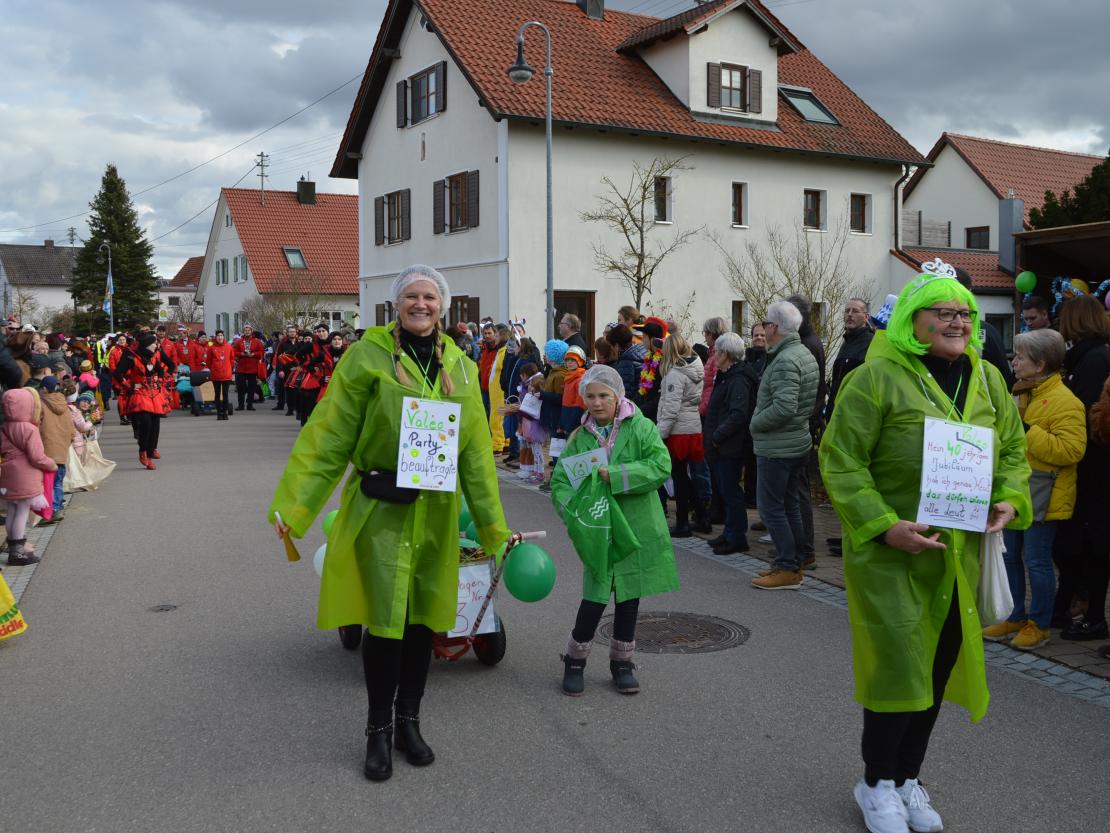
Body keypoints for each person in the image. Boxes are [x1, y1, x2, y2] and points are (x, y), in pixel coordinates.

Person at [270, 264, 510, 782]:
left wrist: (493, 528)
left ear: (442, 306)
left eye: (430, 297)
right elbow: (329, 433)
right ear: (396, 305)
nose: (421, 304)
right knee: (385, 622)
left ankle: (410, 722)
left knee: (424, 619)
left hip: (437, 511)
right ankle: (376, 729)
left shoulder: (464, 369)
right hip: (381, 507)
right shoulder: (366, 356)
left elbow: (475, 457)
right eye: (411, 297)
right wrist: (295, 507)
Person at [819, 270, 1031, 833]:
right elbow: (841, 459)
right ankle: (875, 784)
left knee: (936, 669)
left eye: (963, 313)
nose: (956, 321)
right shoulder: (874, 379)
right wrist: (883, 525)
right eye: (942, 311)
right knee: (896, 667)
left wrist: (1009, 499)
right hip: (894, 554)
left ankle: (908, 777)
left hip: (958, 555)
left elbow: (1012, 448)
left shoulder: (987, 379)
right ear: (914, 320)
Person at [550, 363, 678, 696]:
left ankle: (622, 663)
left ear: (616, 394)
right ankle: (575, 661)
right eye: (590, 396)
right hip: (598, 529)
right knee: (593, 598)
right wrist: (574, 515)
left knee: (628, 598)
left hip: (635, 527)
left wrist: (617, 474)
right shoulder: (580, 438)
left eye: (603, 395)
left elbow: (660, 465)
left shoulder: (641, 428)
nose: (596, 402)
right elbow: (561, 482)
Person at [981, 329, 1085, 650]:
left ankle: (1039, 624)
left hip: (1044, 496)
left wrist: (1026, 431)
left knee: (1037, 561)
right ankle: (1015, 614)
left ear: (1040, 364)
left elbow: (1071, 450)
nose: (1014, 361)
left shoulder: (1066, 401)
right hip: (1016, 491)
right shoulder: (1020, 391)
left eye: (1021, 357)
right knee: (1010, 555)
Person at [749, 302, 819, 590]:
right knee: (789, 504)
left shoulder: (787, 359)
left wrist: (755, 423)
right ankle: (792, 560)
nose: (763, 328)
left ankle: (788, 567)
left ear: (774, 327)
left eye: (765, 323)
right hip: (794, 442)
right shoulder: (799, 353)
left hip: (779, 447)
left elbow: (785, 408)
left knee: (771, 508)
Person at [1053, 295, 1110, 635]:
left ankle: (1090, 612)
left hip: (1093, 467)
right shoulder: (1089, 357)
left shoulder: (1091, 360)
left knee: (1087, 541)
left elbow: (1087, 420)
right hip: (1094, 466)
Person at [824, 299, 875, 556]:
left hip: (856, 419)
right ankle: (847, 533)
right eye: (846, 311)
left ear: (867, 316)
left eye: (855, 311)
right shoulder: (847, 341)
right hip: (838, 415)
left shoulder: (870, 343)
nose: (849, 315)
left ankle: (856, 537)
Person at [703, 333, 759, 555]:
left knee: (731, 491)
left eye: (717, 351)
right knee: (726, 491)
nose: (715, 355)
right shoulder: (727, 376)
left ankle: (737, 536)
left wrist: (717, 436)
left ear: (725, 354)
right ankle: (729, 532)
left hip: (730, 446)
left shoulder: (738, 379)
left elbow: (738, 414)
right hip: (722, 446)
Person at [655, 332, 706, 537]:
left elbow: (671, 408)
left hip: (678, 430)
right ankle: (701, 516)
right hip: (692, 425)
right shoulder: (696, 368)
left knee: (679, 477)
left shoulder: (675, 374)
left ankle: (683, 522)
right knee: (685, 475)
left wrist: (659, 434)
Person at [1, 388, 57, 566]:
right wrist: (51, 464)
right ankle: (17, 553)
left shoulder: (3, 427)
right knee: (22, 512)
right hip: (25, 475)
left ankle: (13, 547)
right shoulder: (29, 429)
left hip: (8, 473)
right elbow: (37, 457)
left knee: (12, 511)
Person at [114, 333, 172, 468]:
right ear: (146, 345)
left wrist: (160, 379)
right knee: (146, 423)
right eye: (153, 343)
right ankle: (143, 451)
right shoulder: (131, 357)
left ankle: (151, 450)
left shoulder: (152, 356)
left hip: (153, 393)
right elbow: (117, 373)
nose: (156, 345)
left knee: (155, 423)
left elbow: (160, 370)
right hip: (139, 394)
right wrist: (130, 385)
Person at [37, 375, 74, 522]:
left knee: (47, 483)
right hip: (61, 450)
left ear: (45, 389)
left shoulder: (41, 405)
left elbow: (37, 425)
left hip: (47, 450)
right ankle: (57, 508)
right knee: (58, 483)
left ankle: (50, 512)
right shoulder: (63, 403)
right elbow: (71, 429)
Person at [606, 324, 647, 401]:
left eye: (611, 346)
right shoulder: (641, 350)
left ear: (617, 346)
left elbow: (625, 394)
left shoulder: (626, 361)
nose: (612, 349)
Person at [233, 324, 265, 411]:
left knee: (252, 387)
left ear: (251, 331)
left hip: (252, 368)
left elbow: (261, 352)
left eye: (248, 330)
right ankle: (241, 405)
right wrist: (241, 354)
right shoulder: (239, 341)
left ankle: (250, 405)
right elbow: (234, 352)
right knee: (240, 387)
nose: (247, 331)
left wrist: (253, 354)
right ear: (243, 331)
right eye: (245, 330)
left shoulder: (257, 341)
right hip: (241, 368)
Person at [206, 330, 235, 421]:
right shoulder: (211, 348)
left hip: (226, 375)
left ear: (223, 336)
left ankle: (225, 413)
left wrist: (229, 369)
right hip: (216, 375)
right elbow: (209, 361)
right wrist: (214, 368)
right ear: (216, 337)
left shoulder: (229, 347)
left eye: (221, 335)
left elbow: (232, 360)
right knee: (217, 394)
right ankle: (219, 413)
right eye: (218, 335)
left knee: (225, 394)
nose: (220, 337)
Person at [478, 323, 499, 420]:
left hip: (494, 389)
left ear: (495, 334)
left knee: (493, 416)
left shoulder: (500, 349)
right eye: (485, 333)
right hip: (483, 388)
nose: (487, 336)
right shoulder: (483, 348)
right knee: (484, 415)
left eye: (489, 333)